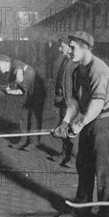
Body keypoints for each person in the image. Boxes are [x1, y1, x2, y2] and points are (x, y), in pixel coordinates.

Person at [51, 31, 109, 217]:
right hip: (89, 121)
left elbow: (97, 104)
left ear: (85, 48)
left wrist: (79, 124)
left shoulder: (98, 70)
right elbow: (73, 102)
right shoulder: (77, 70)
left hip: (103, 121)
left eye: (72, 47)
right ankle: (82, 209)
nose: (68, 51)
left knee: (103, 168)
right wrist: (64, 123)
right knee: (83, 163)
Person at [0, 54, 45, 151]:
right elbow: (21, 90)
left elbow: (20, 79)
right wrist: (10, 92)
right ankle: (23, 140)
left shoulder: (16, 63)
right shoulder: (10, 73)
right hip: (28, 92)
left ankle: (34, 142)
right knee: (24, 117)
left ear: (4, 63)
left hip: (38, 91)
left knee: (33, 117)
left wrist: (12, 85)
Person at [49, 37, 77, 167]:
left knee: (71, 128)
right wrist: (58, 94)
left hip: (72, 101)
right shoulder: (64, 60)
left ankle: (73, 158)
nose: (60, 49)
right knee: (62, 126)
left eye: (62, 46)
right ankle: (64, 154)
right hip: (63, 99)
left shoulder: (75, 62)